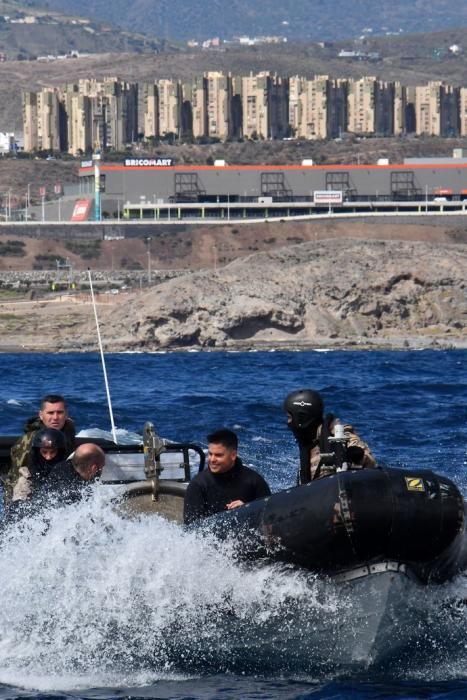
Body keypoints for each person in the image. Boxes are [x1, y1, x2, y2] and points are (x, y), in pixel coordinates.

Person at [283, 388, 376, 483]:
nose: (288, 422)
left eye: (289, 417)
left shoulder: (338, 435)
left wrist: (355, 455)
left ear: (301, 417)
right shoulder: (309, 445)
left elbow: (367, 458)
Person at [183, 428, 271, 525]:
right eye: (210, 454)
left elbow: (270, 518)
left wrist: (247, 509)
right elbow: (191, 529)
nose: (212, 459)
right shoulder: (198, 485)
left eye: (218, 455)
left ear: (233, 455)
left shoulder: (254, 481)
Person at [4, 394, 76, 504]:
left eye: (60, 412)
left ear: (66, 414)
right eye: (50, 413)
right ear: (41, 415)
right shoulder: (29, 441)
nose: (55, 417)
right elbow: (17, 475)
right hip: (31, 492)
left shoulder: (68, 434)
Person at [11, 427, 68, 502]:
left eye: (52, 452)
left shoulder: (67, 468)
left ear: (60, 452)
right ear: (38, 452)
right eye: (44, 452)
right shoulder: (27, 476)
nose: (48, 457)